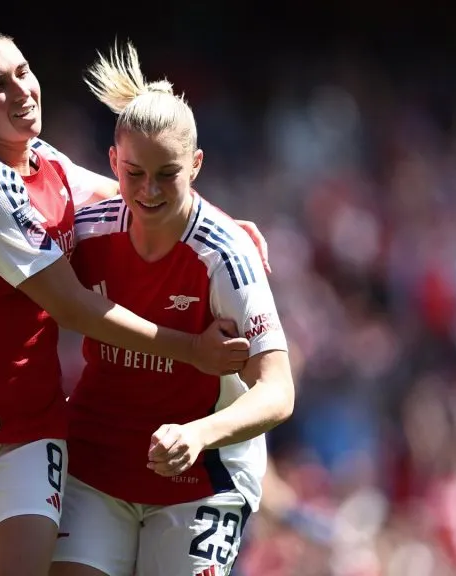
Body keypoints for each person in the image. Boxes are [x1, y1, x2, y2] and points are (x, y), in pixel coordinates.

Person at [0, 21, 269, 576]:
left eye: (23, 72)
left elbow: (138, 193)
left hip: (29, 425)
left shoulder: (45, 161)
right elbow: (70, 305)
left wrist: (221, 225)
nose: (21, 91)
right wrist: (190, 349)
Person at [51, 43, 296, 576]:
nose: (149, 191)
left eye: (167, 174)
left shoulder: (226, 254)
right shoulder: (85, 233)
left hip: (201, 477)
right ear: (113, 162)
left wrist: (197, 434)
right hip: (96, 466)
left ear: (197, 165)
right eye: (134, 172)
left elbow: (278, 391)